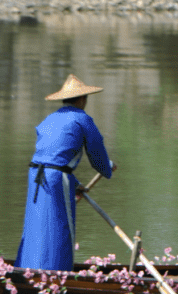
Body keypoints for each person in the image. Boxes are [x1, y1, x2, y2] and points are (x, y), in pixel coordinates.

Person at [16, 74, 116, 271]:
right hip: (54, 178)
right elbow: (97, 154)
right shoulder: (83, 119)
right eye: (85, 98)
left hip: (35, 175)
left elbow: (50, 158)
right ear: (81, 99)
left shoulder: (49, 119)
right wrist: (108, 167)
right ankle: (58, 273)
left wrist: (75, 184)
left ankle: (28, 270)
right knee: (60, 226)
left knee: (37, 224)